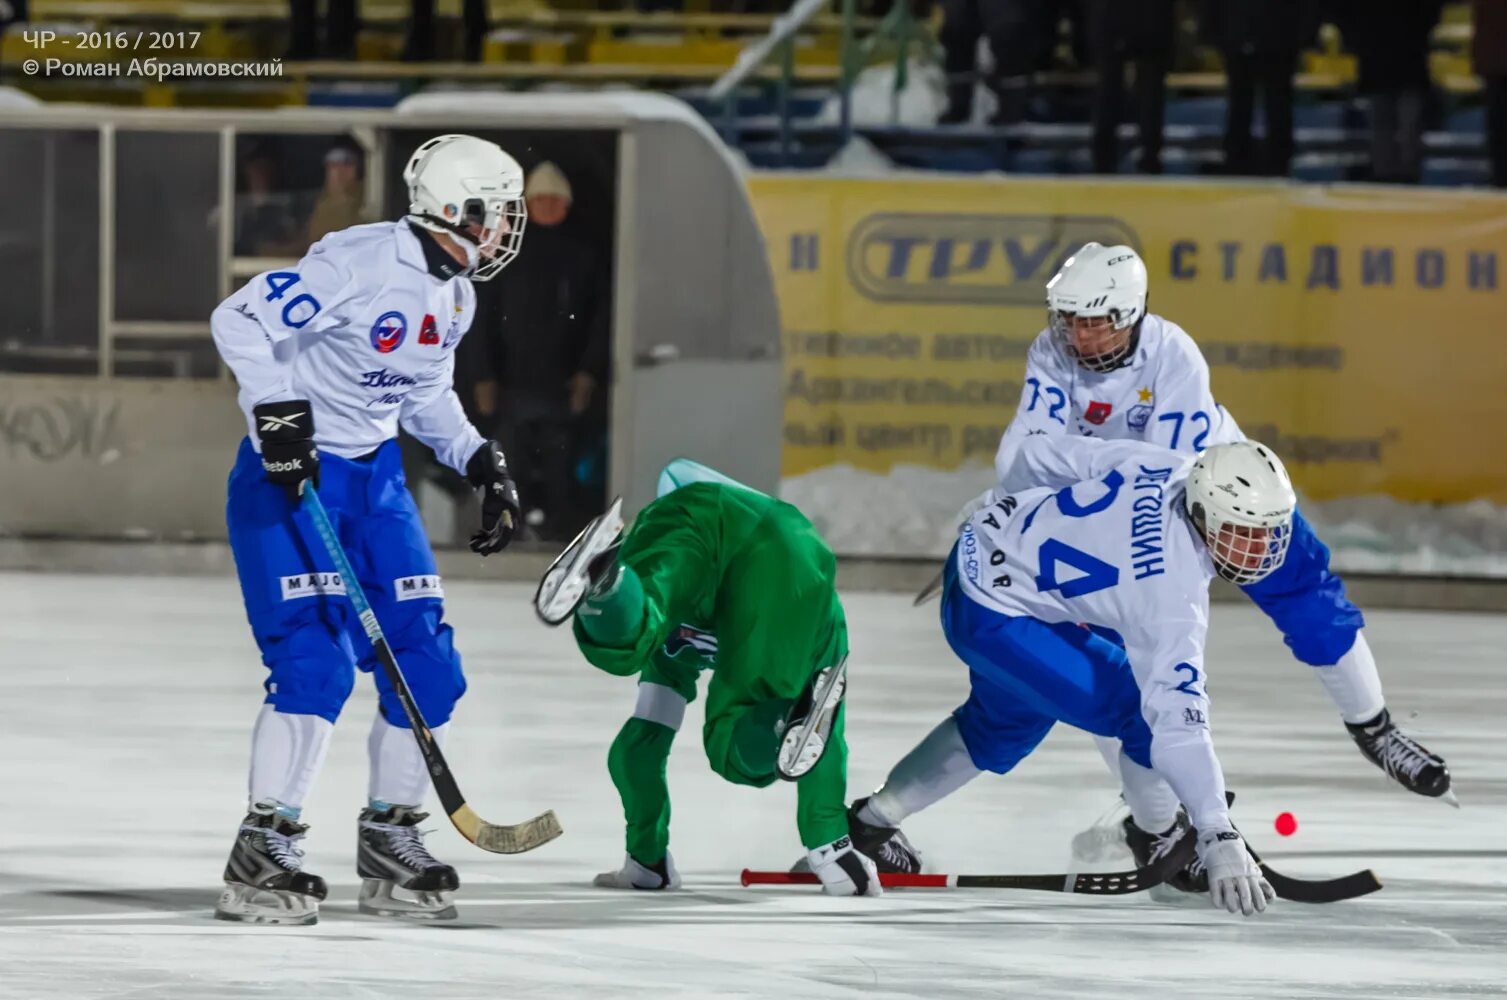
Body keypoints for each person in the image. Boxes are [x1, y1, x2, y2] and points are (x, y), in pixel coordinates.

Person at [996, 243, 1451, 802]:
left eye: (1094, 323)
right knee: (1115, 659)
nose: (1080, 337)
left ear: (1131, 314)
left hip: (1227, 500)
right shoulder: (1051, 351)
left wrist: (1060, 465)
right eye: (1070, 321)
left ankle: (1373, 727)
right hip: (1128, 514)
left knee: (1308, 593)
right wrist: (1009, 497)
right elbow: (1018, 456)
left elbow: (1167, 473)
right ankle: (1157, 808)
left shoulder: (1174, 354)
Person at [208, 133, 528, 925]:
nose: (505, 230)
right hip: (292, 481)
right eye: (498, 214)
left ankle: (390, 837)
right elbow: (238, 320)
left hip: (375, 481)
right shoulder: (358, 261)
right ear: (457, 209)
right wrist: (276, 414)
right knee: (314, 661)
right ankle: (265, 844)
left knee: (425, 658)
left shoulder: (456, 292)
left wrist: (477, 458)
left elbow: (423, 394)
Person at [855, 434, 1289, 916]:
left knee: (1004, 724)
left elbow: (1039, 455)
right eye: (1242, 531)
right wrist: (1215, 829)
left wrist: (992, 517)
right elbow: (1177, 722)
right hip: (999, 616)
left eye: (1268, 531)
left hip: (983, 560)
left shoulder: (1172, 466)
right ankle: (1158, 837)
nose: (1259, 549)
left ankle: (873, 823)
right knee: (1137, 709)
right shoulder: (1173, 596)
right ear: (1205, 512)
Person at [533, 459, 882, 897]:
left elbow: (643, 742)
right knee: (738, 741)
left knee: (637, 637)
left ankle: (610, 586)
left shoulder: (680, 640)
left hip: (683, 522)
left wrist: (646, 857)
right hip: (785, 548)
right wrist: (830, 846)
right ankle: (778, 722)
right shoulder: (819, 619)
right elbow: (825, 734)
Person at [470, 161, 609, 541]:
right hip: (512, 384)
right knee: (507, 463)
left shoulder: (585, 256)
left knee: (560, 467)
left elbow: (601, 321)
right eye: (540, 200)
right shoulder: (503, 253)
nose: (547, 207)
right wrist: (483, 376)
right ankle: (511, 533)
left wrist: (587, 374)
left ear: (567, 205)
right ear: (527, 205)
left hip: (562, 385)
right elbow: (480, 318)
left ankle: (558, 535)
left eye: (555, 201)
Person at [1201, 0, 1318, 176]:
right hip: (1246, 34)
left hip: (1278, 37)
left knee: (1274, 102)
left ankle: (1275, 160)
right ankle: (1241, 158)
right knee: (1243, 101)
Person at [305, 137, 369, 247]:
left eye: (348, 162)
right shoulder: (316, 202)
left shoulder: (368, 200)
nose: (340, 169)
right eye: (333, 162)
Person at [1472, 0, 1507, 188]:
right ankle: (1500, 176)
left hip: (1493, 60)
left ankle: (1500, 176)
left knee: (1497, 124)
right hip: (1494, 61)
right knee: (1497, 125)